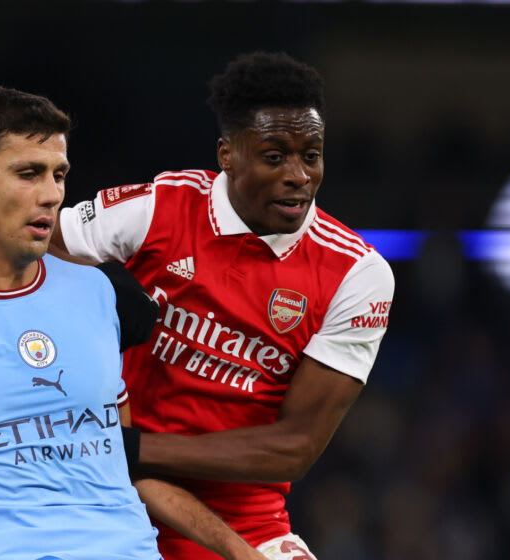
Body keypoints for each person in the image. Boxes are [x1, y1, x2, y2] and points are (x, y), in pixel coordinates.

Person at [0, 87, 268, 560]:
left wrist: (242, 552)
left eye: (59, 175)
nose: (52, 194)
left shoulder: (97, 293)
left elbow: (121, 465)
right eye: (28, 174)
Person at [52, 52, 395, 560]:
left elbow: (294, 446)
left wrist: (128, 447)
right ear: (228, 154)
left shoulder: (357, 274)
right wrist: (96, 287)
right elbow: (35, 248)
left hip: (244, 519)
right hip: (105, 498)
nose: (299, 176)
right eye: (275, 157)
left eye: (312, 155)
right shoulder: (162, 206)